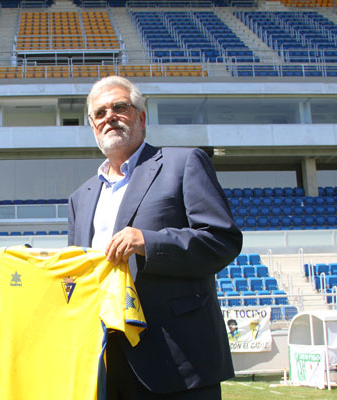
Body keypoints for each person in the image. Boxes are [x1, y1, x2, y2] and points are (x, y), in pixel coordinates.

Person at [67, 76, 243, 400]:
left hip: (179, 362)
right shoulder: (81, 197)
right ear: (92, 126)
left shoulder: (183, 163)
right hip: (106, 364)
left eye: (120, 107)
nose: (110, 117)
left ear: (141, 117)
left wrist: (149, 242)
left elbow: (222, 241)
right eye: (100, 112)